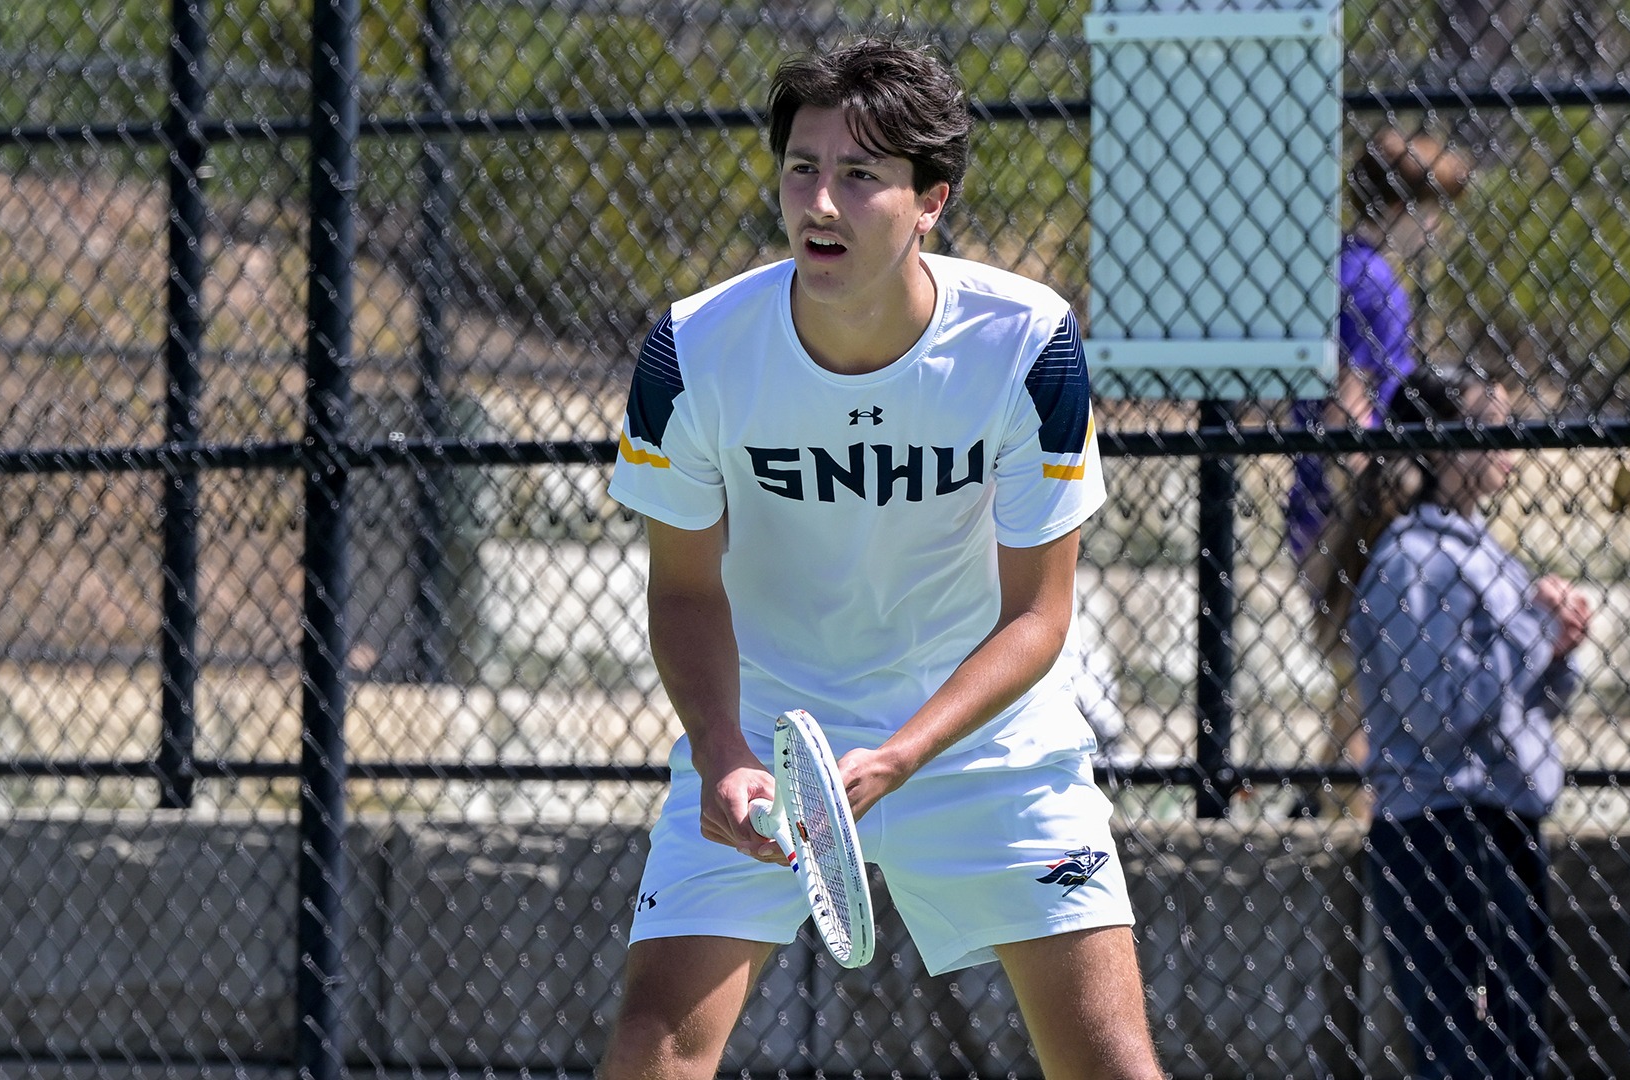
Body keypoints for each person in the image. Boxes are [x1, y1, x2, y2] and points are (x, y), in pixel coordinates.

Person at [598, 37, 1165, 1080]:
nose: (820, 202)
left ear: (931, 199)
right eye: (803, 169)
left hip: (982, 742)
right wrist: (725, 748)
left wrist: (902, 754)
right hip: (767, 744)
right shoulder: (689, 352)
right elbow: (682, 592)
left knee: (1110, 1060)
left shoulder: (1029, 343)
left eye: (860, 177)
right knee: (656, 1048)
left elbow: (1038, 617)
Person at [1319, 364, 1590, 1079]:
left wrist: (1557, 645)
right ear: (1439, 449)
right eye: (1487, 427)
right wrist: (1533, 632)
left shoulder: (1472, 548)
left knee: (1509, 1044)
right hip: (1444, 832)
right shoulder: (1413, 559)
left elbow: (1517, 697)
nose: (1508, 442)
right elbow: (1433, 711)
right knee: (1466, 1051)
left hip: (1490, 821)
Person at [1290, 128, 1471, 819]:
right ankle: (1345, 811)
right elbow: (1353, 402)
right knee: (1369, 674)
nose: (1437, 231)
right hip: (1352, 506)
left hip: (1311, 495)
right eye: (1435, 212)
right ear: (1409, 208)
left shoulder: (1334, 266)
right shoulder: (1379, 285)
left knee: (1354, 678)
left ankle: (1326, 802)